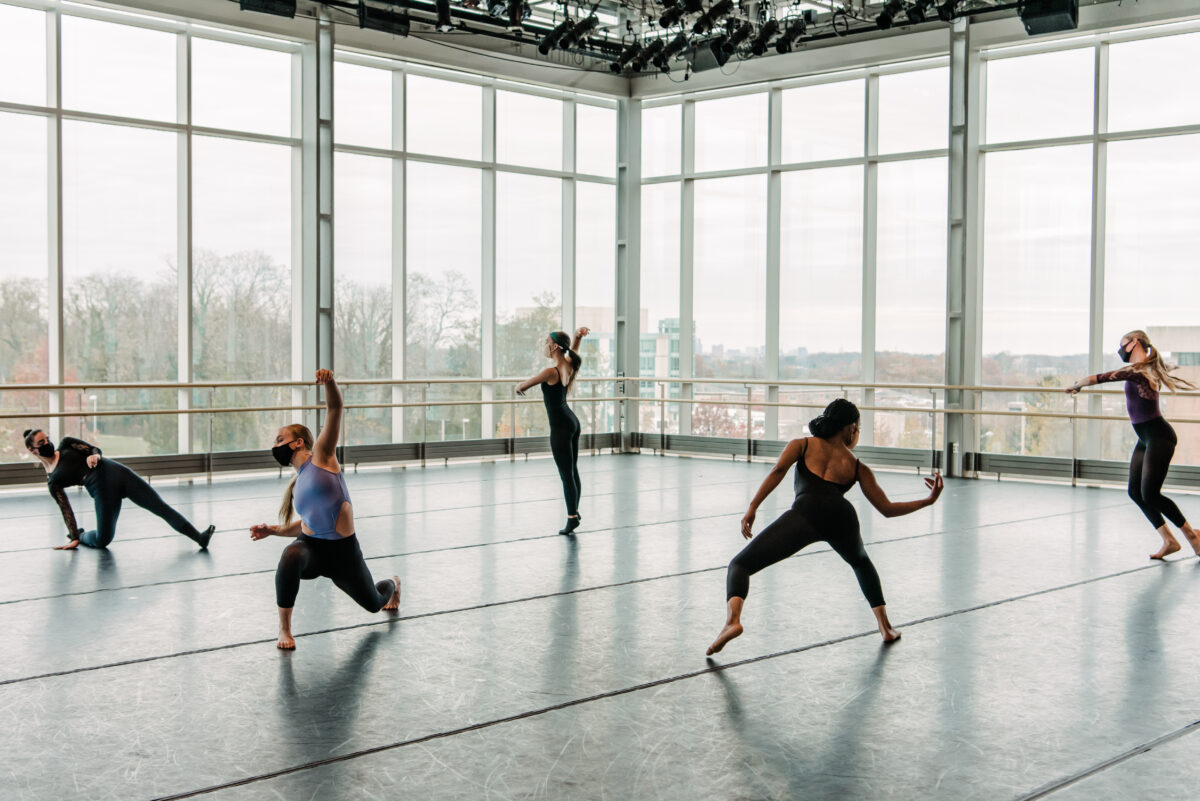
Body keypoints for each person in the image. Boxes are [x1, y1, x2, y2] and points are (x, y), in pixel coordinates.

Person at [707, 399, 943, 656]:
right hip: (841, 517)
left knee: (740, 565)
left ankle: (733, 621)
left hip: (806, 514)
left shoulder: (802, 444)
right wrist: (928, 501)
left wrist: (753, 507)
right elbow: (886, 508)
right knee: (861, 563)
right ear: (851, 428)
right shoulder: (856, 466)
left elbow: (778, 471)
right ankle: (885, 628)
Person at [250, 370, 400, 650]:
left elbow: (335, 408)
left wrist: (330, 383)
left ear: (298, 443)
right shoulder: (296, 485)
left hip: (344, 555)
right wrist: (273, 530)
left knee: (374, 604)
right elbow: (306, 524)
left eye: (279, 439)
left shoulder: (322, 456)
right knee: (291, 555)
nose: (275, 445)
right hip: (312, 550)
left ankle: (392, 583)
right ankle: (284, 629)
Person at [1067, 329, 1200, 560]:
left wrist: (1077, 385)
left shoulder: (1138, 371)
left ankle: (1192, 536)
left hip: (1159, 436)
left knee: (1150, 494)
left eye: (1122, 344)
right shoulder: (1147, 368)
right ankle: (1169, 540)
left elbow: (1098, 378)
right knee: (1135, 492)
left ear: (1134, 342)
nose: (1120, 349)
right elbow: (1162, 368)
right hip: (1146, 437)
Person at [23, 428, 214, 551]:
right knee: (101, 540)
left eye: (47, 439)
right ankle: (83, 536)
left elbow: (93, 449)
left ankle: (199, 538)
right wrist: (74, 536)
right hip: (102, 490)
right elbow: (66, 509)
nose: (47, 443)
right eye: (41, 443)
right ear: (33, 450)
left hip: (116, 471)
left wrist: (95, 456)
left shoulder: (66, 444)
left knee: (160, 506)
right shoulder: (53, 481)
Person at [516, 327, 589, 536]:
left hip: (560, 428)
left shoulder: (550, 372)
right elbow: (573, 350)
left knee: (566, 475)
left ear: (555, 346)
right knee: (572, 471)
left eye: (547, 341)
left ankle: (572, 518)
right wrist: (577, 337)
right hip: (572, 421)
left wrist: (518, 386)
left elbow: (524, 385)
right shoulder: (569, 364)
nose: (544, 345)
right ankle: (574, 510)